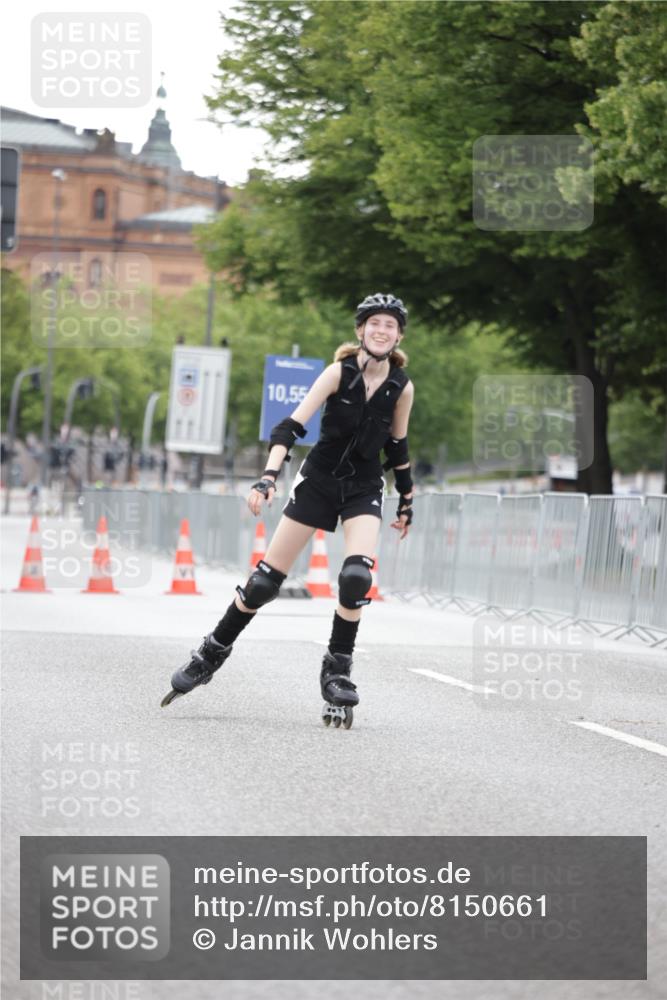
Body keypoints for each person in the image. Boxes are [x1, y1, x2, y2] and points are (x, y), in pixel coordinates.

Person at [161, 293, 415, 728]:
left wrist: (407, 499)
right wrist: (268, 477)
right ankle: (210, 654)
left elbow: (397, 446)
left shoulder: (401, 385)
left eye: (390, 325)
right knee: (262, 584)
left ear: (398, 335)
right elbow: (290, 426)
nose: (381, 330)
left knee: (357, 577)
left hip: (362, 486)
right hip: (317, 481)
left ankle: (337, 672)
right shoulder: (338, 373)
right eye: (374, 323)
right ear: (360, 330)